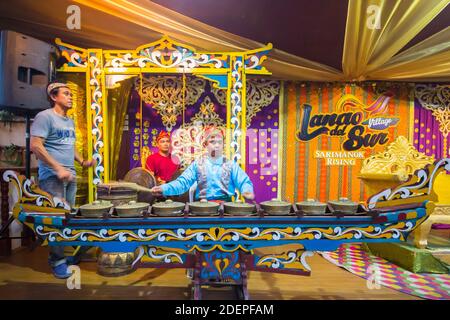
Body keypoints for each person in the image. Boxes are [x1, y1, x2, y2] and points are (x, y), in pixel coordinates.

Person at [30, 81, 95, 279]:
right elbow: (36, 146)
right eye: (66, 94)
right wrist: (57, 168)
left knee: (68, 216)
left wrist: (82, 161)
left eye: (70, 94)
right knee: (56, 220)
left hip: (69, 174)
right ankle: (57, 261)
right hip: (52, 177)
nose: (70, 96)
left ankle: (69, 255)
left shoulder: (68, 121)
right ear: (54, 96)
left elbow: (68, 145)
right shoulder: (44, 117)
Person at [150, 127, 255, 202]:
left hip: (226, 207)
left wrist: (246, 190)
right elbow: (182, 183)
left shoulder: (230, 165)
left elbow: (243, 181)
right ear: (205, 144)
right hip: (202, 208)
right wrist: (163, 188)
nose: (217, 145)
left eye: (220, 142)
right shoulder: (198, 164)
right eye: (212, 142)